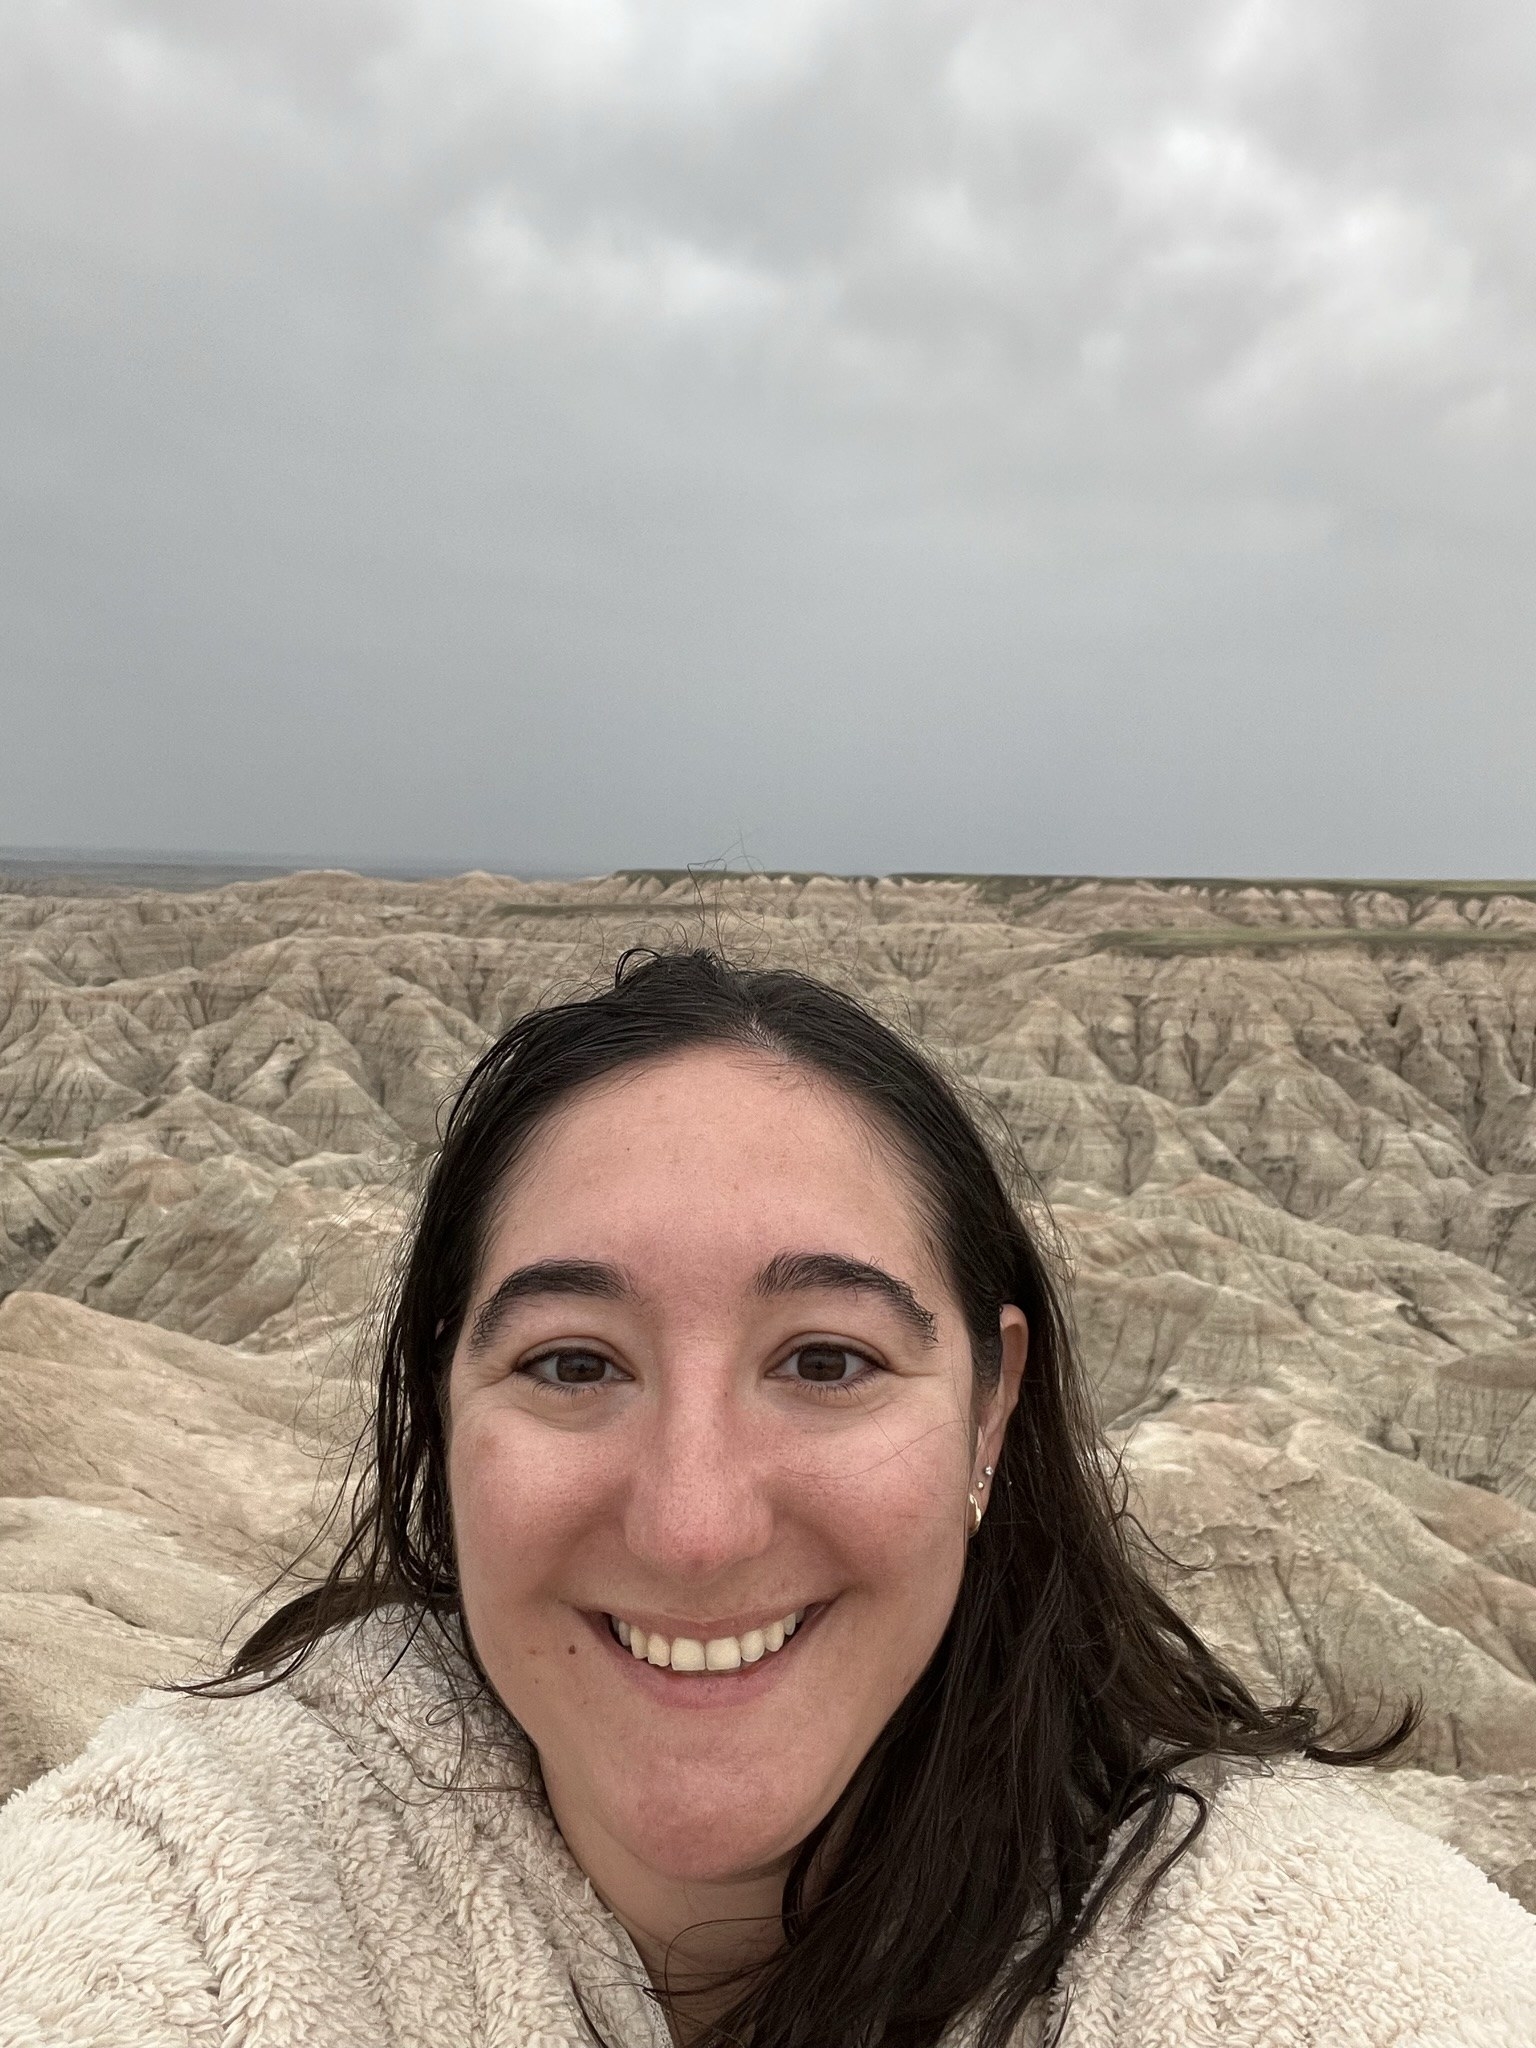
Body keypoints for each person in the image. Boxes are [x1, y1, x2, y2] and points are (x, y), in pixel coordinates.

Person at [1, 946, 1534, 2048]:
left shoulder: (1276, 1950)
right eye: (573, 1365)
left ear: (993, 1407)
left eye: (823, 1358)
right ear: (439, 1404)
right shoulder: (207, 1883)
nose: (694, 1523)